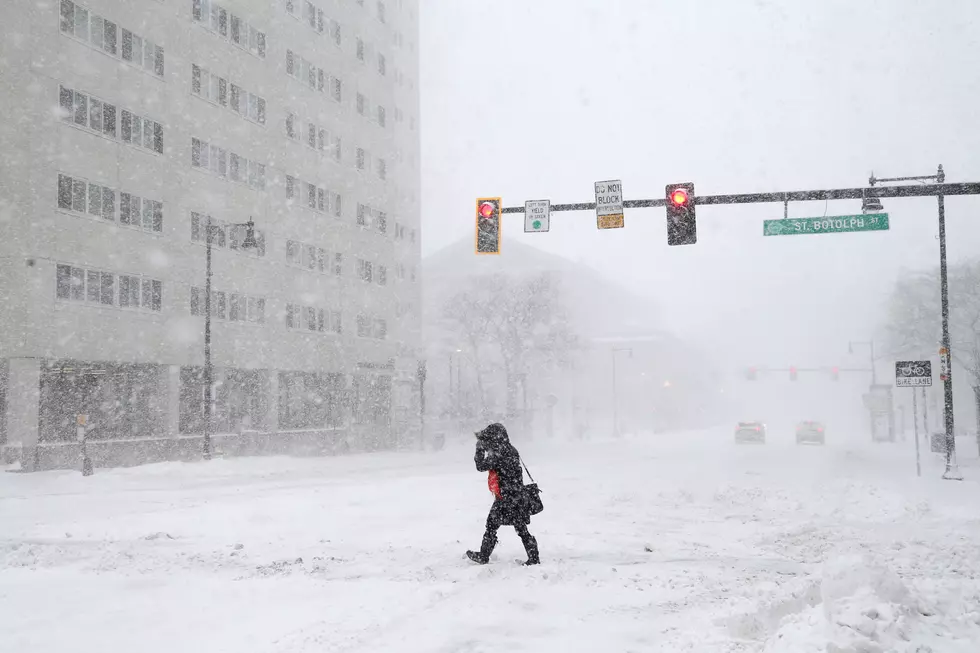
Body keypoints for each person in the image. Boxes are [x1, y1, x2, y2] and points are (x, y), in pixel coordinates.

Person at [466, 422, 540, 566]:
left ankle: (483, 555)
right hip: (518, 496)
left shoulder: (499, 452)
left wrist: (479, 449)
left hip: (506, 498)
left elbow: (480, 466)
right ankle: (534, 557)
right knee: (521, 529)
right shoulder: (510, 449)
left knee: (491, 525)